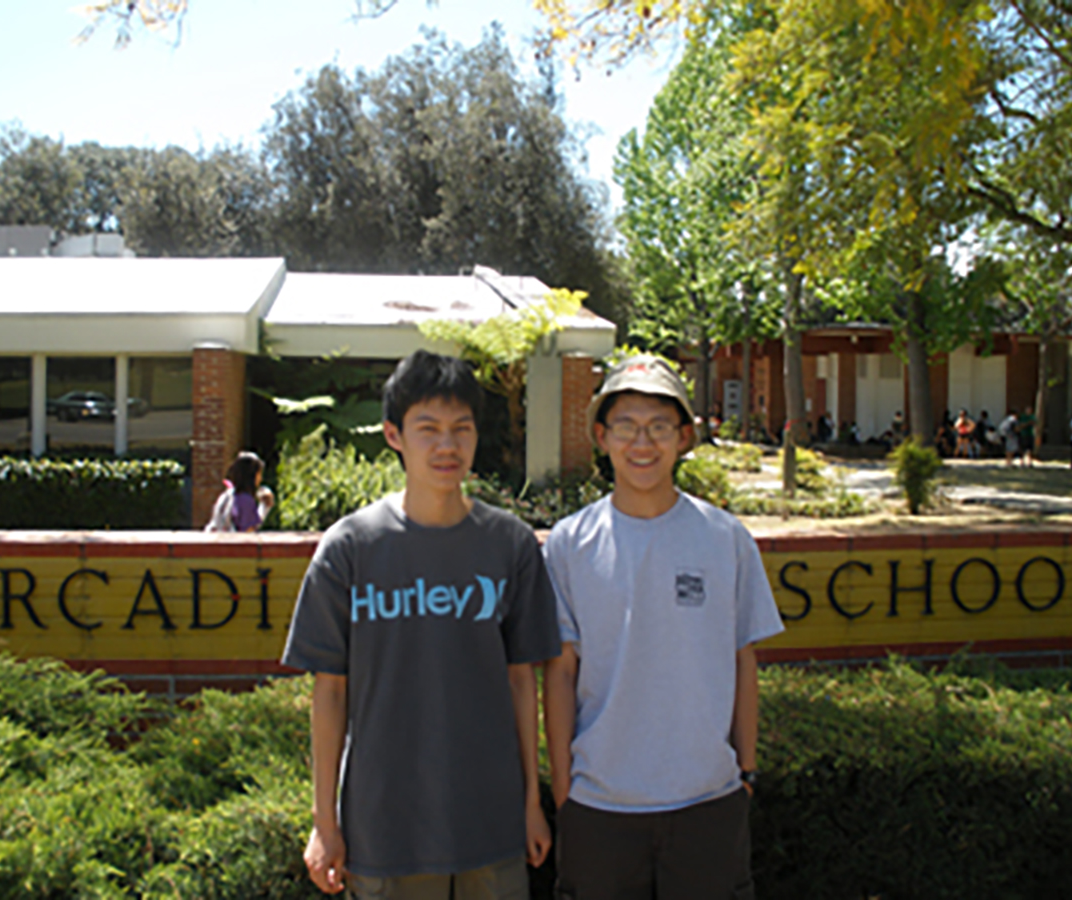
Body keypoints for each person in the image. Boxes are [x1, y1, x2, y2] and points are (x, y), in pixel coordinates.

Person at [282, 350, 560, 899]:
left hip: (492, 823)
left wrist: (531, 803)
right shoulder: (350, 549)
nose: (447, 445)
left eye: (461, 429)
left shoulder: (510, 546)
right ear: (394, 435)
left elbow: (522, 681)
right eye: (427, 429)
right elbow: (330, 693)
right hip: (384, 830)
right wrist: (324, 821)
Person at [543, 355, 785, 900]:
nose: (642, 443)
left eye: (658, 427)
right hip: (600, 807)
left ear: (684, 437)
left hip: (708, 803)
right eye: (626, 426)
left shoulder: (726, 539)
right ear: (602, 437)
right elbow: (559, 672)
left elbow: (743, 660)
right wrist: (564, 788)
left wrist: (745, 772)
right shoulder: (568, 543)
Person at [204, 451, 275, 533]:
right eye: (259, 474)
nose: (260, 478)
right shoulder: (245, 500)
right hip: (231, 544)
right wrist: (264, 506)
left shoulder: (226, 496)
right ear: (251, 476)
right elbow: (248, 532)